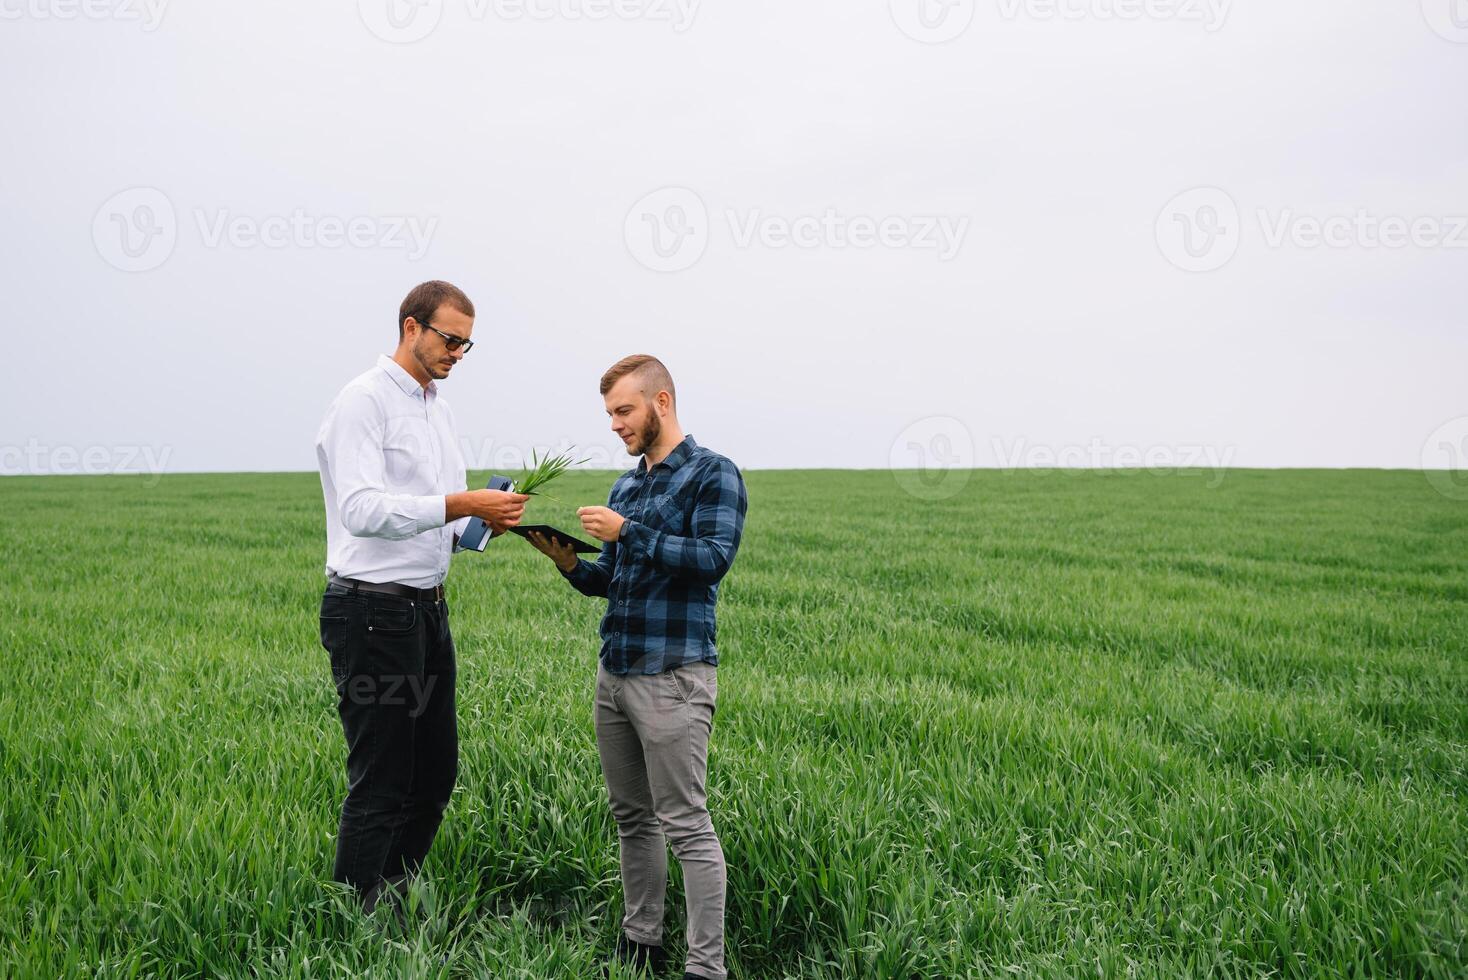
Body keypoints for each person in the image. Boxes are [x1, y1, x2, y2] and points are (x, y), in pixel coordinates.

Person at [527, 354, 748, 980]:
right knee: (631, 817)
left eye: (624, 411)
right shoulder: (626, 485)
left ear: (662, 403)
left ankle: (707, 967)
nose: (617, 425)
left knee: (687, 825)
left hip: (674, 676)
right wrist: (569, 563)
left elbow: (711, 559)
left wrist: (629, 532)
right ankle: (641, 940)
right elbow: (613, 582)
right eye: (610, 414)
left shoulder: (713, 475)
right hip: (616, 673)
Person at [314, 280, 529, 914]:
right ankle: (353, 920)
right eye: (450, 338)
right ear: (412, 327)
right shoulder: (364, 402)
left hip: (427, 608)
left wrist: (481, 521)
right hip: (372, 611)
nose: (458, 352)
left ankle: (391, 897)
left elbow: (437, 519)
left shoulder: (438, 407)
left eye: (467, 343)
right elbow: (360, 509)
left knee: (435, 775)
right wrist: (462, 503)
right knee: (383, 778)